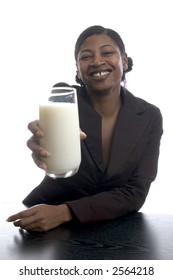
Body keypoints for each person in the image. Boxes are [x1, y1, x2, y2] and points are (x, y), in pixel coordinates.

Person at [7, 25, 163, 232]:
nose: (97, 61)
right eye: (86, 57)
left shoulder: (149, 116)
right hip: (43, 217)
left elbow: (135, 191)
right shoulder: (65, 102)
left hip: (115, 225)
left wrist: (65, 212)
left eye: (107, 52)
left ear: (124, 60)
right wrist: (41, 147)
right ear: (78, 69)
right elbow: (49, 148)